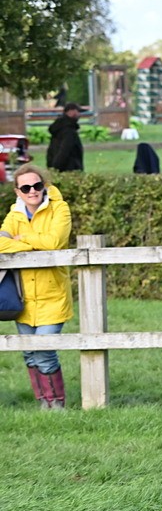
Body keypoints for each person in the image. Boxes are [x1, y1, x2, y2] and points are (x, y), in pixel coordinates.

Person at [1, 165, 73, 409]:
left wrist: (22, 239)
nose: (32, 191)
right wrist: (33, 245)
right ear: (17, 191)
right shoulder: (15, 214)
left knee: (44, 351)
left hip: (53, 296)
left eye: (37, 185)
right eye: (25, 188)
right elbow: (0, 243)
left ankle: (57, 405)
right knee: (29, 353)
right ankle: (44, 402)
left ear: (44, 186)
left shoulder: (60, 208)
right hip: (23, 297)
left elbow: (55, 242)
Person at [46, 102, 84, 172]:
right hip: (69, 170)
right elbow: (65, 150)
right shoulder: (69, 131)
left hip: (57, 169)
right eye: (78, 112)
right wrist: (57, 167)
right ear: (71, 112)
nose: (79, 115)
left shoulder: (58, 128)